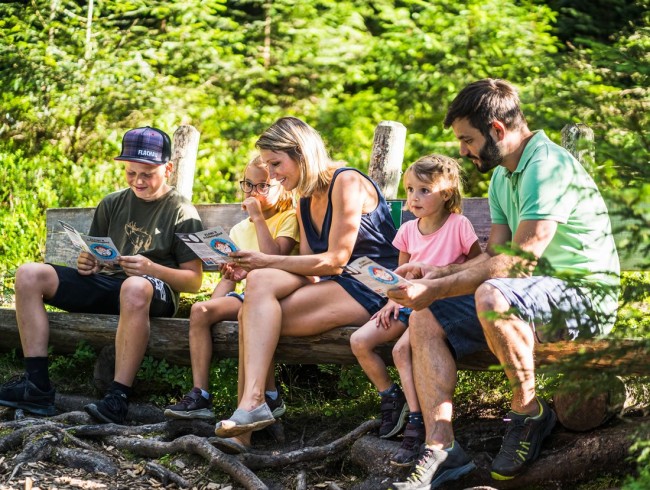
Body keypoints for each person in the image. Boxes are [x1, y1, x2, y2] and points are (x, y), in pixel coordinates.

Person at [387, 79, 620, 489]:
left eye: (467, 139)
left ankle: (528, 412)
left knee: (492, 294)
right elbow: (495, 256)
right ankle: (442, 448)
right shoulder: (501, 178)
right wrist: (436, 274)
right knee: (425, 316)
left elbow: (521, 261)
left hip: (583, 297)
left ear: (497, 129)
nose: (462, 150)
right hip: (527, 294)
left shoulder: (547, 165)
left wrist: (442, 286)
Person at [211, 116, 399, 452]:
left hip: (374, 286)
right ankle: (253, 409)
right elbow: (311, 271)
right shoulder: (304, 199)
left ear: (300, 153)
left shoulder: (348, 182)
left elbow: (337, 259)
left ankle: (254, 411)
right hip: (337, 286)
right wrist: (249, 269)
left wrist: (265, 261)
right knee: (258, 291)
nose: (271, 175)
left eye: (276, 163)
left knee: (253, 311)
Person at [0, 126, 204, 424]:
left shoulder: (181, 212)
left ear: (168, 169)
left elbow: (194, 281)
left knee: (134, 286)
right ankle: (37, 386)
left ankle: (117, 397)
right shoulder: (112, 203)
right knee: (29, 274)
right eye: (131, 173)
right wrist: (90, 263)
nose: (138, 181)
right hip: (113, 285)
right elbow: (99, 255)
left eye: (147, 173)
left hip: (153, 293)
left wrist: (151, 269)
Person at [350, 154, 480, 466]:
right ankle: (392, 398)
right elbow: (400, 274)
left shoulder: (458, 225)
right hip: (408, 304)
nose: (414, 197)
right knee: (360, 340)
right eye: (410, 190)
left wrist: (438, 273)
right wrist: (392, 300)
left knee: (399, 351)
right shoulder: (408, 229)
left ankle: (418, 419)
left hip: (439, 308)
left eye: (424, 190)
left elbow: (478, 265)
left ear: (446, 194)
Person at [164, 155, 299, 420]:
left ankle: (270, 396)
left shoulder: (288, 218)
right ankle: (200, 394)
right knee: (200, 311)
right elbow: (229, 280)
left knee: (247, 314)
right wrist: (217, 298)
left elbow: (273, 257)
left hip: (278, 297)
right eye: (247, 185)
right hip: (246, 295)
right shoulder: (239, 229)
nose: (253, 192)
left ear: (281, 186)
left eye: (262, 186)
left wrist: (258, 218)